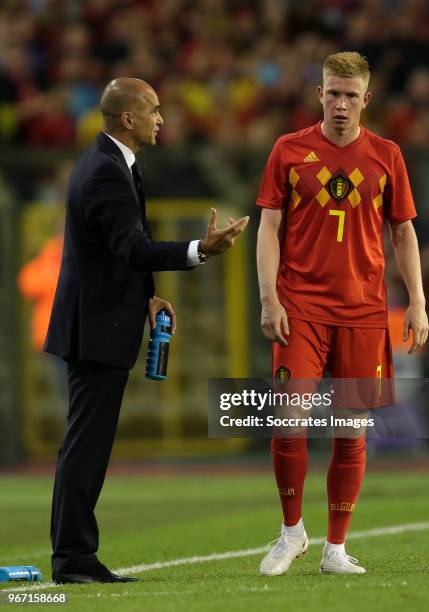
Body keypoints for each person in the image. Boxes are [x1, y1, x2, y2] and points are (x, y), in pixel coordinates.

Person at [44, 77, 249, 584]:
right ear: (127, 119)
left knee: (86, 443)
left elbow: (117, 250)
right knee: (86, 446)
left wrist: (146, 296)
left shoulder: (111, 164)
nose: (162, 119)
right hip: (95, 329)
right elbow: (132, 248)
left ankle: (75, 556)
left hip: (101, 320)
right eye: (154, 110)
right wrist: (200, 250)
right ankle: (73, 560)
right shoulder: (106, 174)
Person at [256, 52, 428, 576]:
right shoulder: (288, 150)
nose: (340, 104)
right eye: (333, 93)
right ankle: (291, 533)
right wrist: (269, 298)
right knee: (289, 421)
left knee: (349, 430)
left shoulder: (386, 155)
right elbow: (268, 227)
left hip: (362, 311)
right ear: (319, 94)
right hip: (301, 308)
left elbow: (402, 231)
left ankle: (335, 548)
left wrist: (418, 301)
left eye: (351, 95)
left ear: (366, 100)